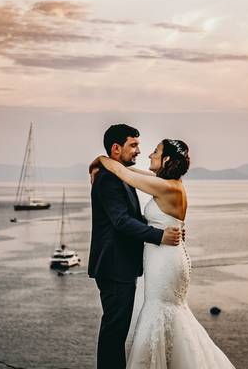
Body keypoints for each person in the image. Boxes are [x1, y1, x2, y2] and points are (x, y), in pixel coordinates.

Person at [92, 137, 236, 369]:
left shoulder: (166, 186)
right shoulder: (169, 182)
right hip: (166, 256)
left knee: (161, 311)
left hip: (165, 260)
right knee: (167, 313)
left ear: (166, 159)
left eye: (155, 152)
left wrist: (99, 159)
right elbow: (132, 172)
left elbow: (124, 174)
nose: (149, 155)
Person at [89, 124, 183, 369]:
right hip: (114, 266)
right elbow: (121, 222)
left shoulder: (121, 174)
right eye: (134, 145)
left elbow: (134, 217)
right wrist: (159, 235)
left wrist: (165, 225)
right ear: (116, 148)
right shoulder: (109, 179)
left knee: (117, 330)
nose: (139, 151)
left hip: (121, 266)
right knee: (114, 331)